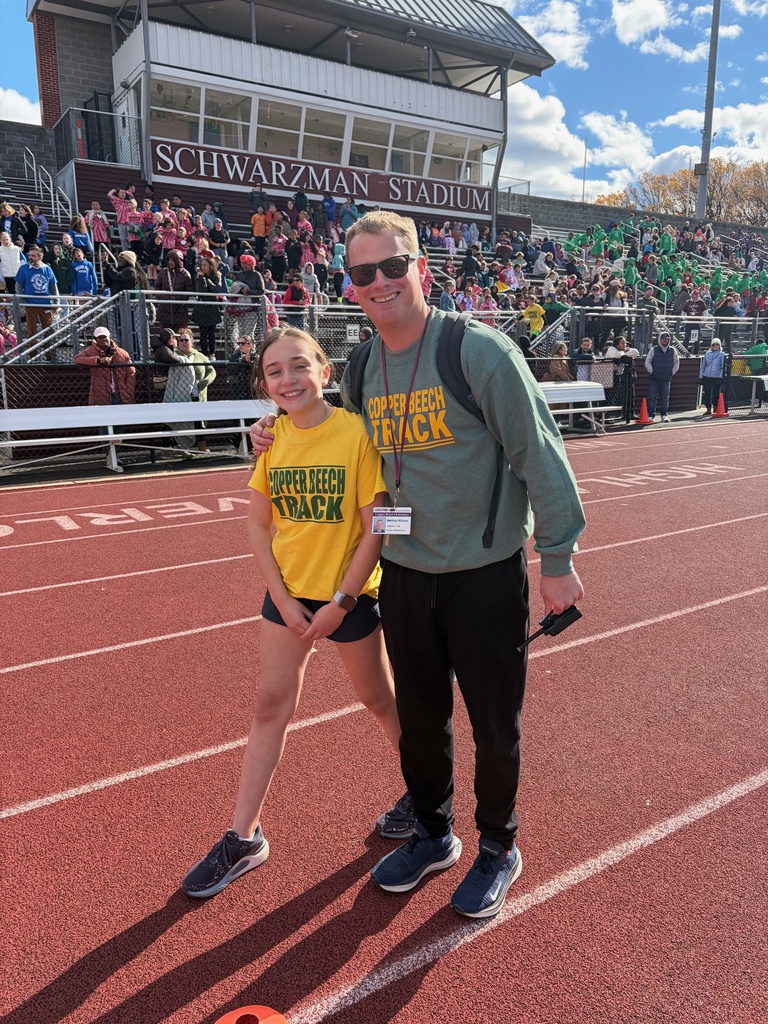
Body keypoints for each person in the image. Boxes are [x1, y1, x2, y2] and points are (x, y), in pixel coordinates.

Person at [251, 211, 585, 919]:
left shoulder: (478, 352)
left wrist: (556, 557)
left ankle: (498, 845)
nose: (379, 282)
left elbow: (539, 453)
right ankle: (435, 833)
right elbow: (333, 433)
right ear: (351, 285)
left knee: (495, 722)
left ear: (420, 269)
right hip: (403, 572)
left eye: (392, 266)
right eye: (363, 272)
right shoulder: (364, 364)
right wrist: (273, 426)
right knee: (422, 717)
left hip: (483, 571)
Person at [182, 325, 413, 898]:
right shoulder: (273, 438)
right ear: (265, 383)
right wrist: (283, 599)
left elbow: (376, 529)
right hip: (287, 594)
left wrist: (343, 601)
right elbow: (258, 525)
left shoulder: (355, 434)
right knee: (269, 707)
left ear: (324, 372)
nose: (288, 379)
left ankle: (427, 789)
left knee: (376, 697)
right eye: (275, 372)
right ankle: (243, 838)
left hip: (349, 594)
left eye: (299, 366)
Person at [74, 325, 136, 472]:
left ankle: (116, 454)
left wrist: (128, 389)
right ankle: (110, 455)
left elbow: (131, 371)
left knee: (120, 426)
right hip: (101, 396)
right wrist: (97, 360)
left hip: (120, 395)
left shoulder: (120, 353)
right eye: (100, 338)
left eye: (105, 337)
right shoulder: (91, 351)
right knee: (105, 427)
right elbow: (77, 359)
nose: (104, 340)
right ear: (96, 339)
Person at [176, 329, 217, 451]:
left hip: (197, 394)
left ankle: (202, 445)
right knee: (182, 420)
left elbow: (212, 371)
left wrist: (205, 381)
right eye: (181, 340)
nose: (183, 342)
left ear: (192, 342)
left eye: (186, 340)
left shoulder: (200, 356)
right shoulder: (174, 355)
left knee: (199, 420)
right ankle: (183, 447)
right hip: (181, 395)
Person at [15, 246, 59, 341]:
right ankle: (32, 354)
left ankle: (50, 355)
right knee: (32, 332)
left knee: (48, 331)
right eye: (29, 255)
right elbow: (18, 286)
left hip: (46, 304)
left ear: (40, 257)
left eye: (33, 256)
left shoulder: (47, 269)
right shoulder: (23, 268)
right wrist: (23, 301)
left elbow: (53, 286)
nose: (30, 257)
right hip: (30, 305)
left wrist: (56, 302)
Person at [645, 330, 680, 422]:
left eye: (667, 339)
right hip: (654, 379)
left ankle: (664, 415)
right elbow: (647, 362)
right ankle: (651, 415)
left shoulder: (673, 350)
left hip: (666, 379)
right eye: (663, 338)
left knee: (665, 398)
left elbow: (676, 363)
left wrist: (671, 373)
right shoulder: (653, 349)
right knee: (652, 397)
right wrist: (652, 371)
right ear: (660, 339)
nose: (665, 340)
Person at [699, 338, 725, 416]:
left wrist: (720, 377)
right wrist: (701, 377)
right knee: (707, 393)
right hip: (707, 376)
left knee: (715, 393)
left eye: (717, 344)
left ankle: (715, 408)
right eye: (713, 344)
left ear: (719, 345)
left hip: (716, 377)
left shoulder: (721, 354)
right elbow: (703, 366)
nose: (715, 346)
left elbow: (722, 367)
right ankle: (708, 409)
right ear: (711, 345)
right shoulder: (707, 354)